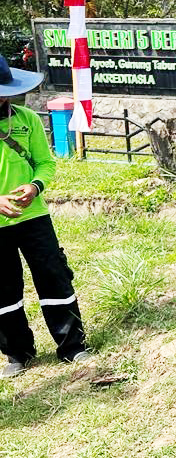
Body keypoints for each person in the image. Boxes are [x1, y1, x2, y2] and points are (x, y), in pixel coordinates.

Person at [0, 56, 90, 378]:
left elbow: (45, 163)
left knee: (54, 276)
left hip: (34, 217)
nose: (2, 98)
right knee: (4, 289)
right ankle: (17, 354)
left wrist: (35, 187)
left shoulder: (27, 120)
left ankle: (72, 345)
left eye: (4, 92)